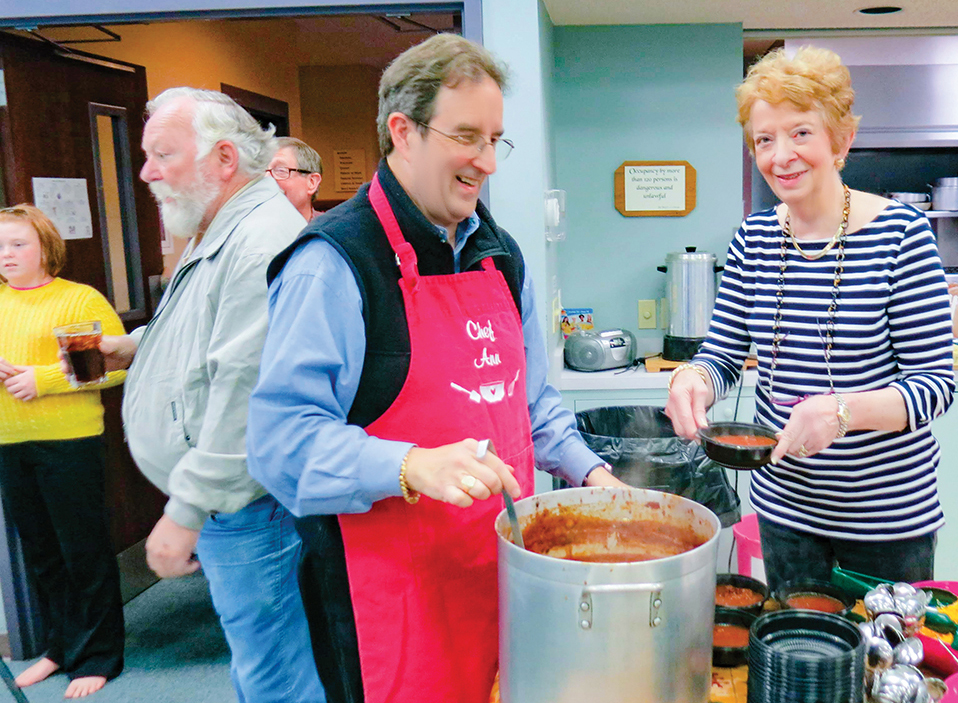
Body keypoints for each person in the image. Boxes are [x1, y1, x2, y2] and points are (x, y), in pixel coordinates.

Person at [247, 34, 625, 703]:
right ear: (404, 131)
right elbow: (281, 445)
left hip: (502, 580)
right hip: (391, 607)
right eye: (468, 137)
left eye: (495, 140)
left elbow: (531, 401)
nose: (487, 161)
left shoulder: (500, 255)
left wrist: (592, 472)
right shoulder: (333, 263)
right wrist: (409, 464)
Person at [665, 46, 955, 587]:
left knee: (880, 665)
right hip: (786, 512)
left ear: (841, 139)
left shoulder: (902, 236)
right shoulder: (754, 239)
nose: (781, 156)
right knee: (797, 663)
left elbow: (935, 386)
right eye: (765, 139)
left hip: (888, 520)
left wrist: (841, 412)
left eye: (801, 133)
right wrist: (693, 378)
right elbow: (723, 354)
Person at [95, 88, 325, 703]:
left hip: (244, 502)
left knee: (271, 670)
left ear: (225, 158)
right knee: (264, 658)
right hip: (233, 500)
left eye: (162, 154)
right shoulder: (222, 227)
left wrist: (186, 508)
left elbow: (247, 391)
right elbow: (209, 332)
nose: (145, 172)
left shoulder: (256, 242)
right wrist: (135, 345)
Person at [0, 205, 125, 699]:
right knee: (42, 555)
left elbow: (115, 366)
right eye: (0, 245)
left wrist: (44, 380)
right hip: (10, 443)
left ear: (45, 247)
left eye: (17, 244)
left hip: (69, 442)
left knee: (83, 551)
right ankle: (59, 647)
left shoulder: (76, 299)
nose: (5, 255)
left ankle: (98, 656)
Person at [268, 137, 324, 222]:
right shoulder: (246, 230)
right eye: (260, 171)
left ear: (312, 182)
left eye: (280, 170)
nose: (266, 177)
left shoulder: (333, 231)